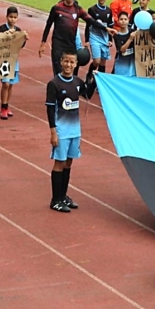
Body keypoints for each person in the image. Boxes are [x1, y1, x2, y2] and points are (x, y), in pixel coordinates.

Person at [46, 51, 97, 213]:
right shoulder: (54, 84)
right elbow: (50, 108)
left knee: (69, 162)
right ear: (61, 62)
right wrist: (53, 132)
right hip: (61, 131)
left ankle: (63, 196)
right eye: (66, 61)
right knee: (59, 163)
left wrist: (93, 79)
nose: (68, 65)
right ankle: (55, 199)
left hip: (75, 130)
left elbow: (87, 94)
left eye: (72, 62)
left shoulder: (77, 82)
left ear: (76, 65)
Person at [40, 0, 114, 76]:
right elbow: (48, 25)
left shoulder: (78, 9)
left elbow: (90, 20)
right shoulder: (56, 8)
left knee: (71, 69)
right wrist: (43, 43)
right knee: (58, 70)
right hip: (58, 44)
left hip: (71, 43)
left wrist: (106, 28)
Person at [0, 6, 29, 120]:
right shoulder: (2, 28)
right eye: (10, 17)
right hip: (5, 61)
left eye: (15, 17)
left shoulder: (18, 30)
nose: (12, 19)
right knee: (5, 84)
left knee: (10, 84)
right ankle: (3, 107)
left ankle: (7, 105)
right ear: (7, 17)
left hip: (14, 60)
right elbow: (0, 42)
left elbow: (20, 46)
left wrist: (24, 39)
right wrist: (8, 34)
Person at [85, 0, 114, 74]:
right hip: (94, 38)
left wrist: (110, 39)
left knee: (103, 62)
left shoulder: (109, 11)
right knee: (96, 61)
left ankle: (100, 81)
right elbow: (88, 25)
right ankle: (89, 75)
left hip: (104, 38)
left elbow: (110, 26)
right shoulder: (92, 10)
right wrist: (87, 40)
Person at [111, 12, 136, 77]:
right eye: (121, 19)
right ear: (118, 21)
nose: (123, 21)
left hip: (132, 62)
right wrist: (130, 39)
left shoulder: (133, 31)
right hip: (121, 63)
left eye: (125, 19)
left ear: (128, 21)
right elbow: (122, 50)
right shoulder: (116, 35)